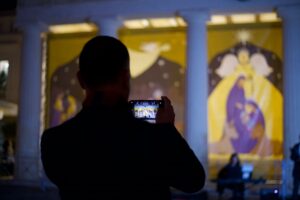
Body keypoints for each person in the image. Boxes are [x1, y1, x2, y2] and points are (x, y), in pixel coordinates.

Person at [41, 36, 205, 200]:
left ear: (81, 80)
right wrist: (167, 130)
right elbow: (193, 181)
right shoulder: (152, 139)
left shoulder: (55, 141)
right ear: (125, 77)